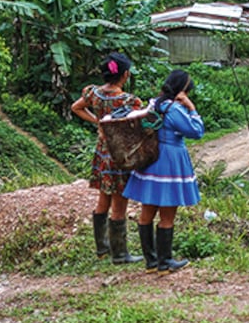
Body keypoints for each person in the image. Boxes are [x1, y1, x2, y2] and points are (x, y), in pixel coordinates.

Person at [123, 69, 203, 275]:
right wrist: (191, 107)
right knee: (167, 213)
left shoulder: (154, 104)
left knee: (147, 212)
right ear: (182, 90)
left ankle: (151, 262)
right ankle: (165, 263)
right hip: (170, 161)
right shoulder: (175, 109)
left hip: (150, 160)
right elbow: (197, 131)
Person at [70, 52, 143, 265]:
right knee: (119, 204)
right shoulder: (128, 101)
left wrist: (98, 121)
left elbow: (76, 107)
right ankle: (120, 254)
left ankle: (102, 248)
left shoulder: (94, 94)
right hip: (119, 155)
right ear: (126, 75)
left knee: (103, 199)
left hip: (102, 152)